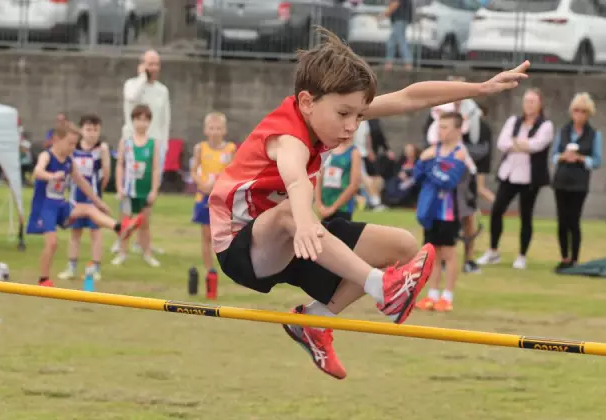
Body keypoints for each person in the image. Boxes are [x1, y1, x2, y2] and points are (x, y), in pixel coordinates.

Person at [208, 27, 530, 380]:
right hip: (243, 245)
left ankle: (316, 322)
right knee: (289, 213)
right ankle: (381, 287)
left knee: (403, 246)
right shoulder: (287, 137)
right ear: (306, 102)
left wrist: (479, 88)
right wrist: (303, 222)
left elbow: (409, 97)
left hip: (295, 237)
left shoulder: (331, 110)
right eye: (345, 115)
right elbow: (297, 181)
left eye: (359, 116)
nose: (351, 127)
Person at [27, 126, 142, 287]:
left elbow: (83, 183)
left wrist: (99, 202)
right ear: (56, 140)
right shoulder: (46, 156)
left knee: (89, 209)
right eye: (70, 144)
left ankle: (119, 228)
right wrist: (52, 176)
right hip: (45, 207)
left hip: (60, 205)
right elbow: (37, 172)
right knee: (52, 243)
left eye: (75, 144)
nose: (73, 148)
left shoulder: (69, 161)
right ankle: (43, 279)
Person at [476, 88, 554, 270]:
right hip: (509, 174)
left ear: (540, 104)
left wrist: (517, 143)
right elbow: (502, 143)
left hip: (529, 178)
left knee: (526, 216)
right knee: (497, 210)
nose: (528, 105)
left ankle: (521, 255)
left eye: (532, 101)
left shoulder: (546, 125)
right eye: (526, 101)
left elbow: (537, 145)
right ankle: (493, 250)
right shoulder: (514, 121)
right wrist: (521, 145)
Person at [414, 111, 470, 312]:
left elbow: (448, 181)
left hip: (448, 212)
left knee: (449, 253)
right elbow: (417, 176)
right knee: (433, 254)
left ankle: (448, 296)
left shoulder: (459, 153)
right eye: (440, 127)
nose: (441, 131)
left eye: (446, 127)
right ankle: (432, 295)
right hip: (431, 211)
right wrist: (422, 161)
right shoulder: (432, 150)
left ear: (457, 130)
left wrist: (429, 165)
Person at [550, 92, 603, 271]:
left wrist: (581, 159)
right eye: (576, 110)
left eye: (583, 111)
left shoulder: (594, 135)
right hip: (561, 180)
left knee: (574, 220)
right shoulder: (563, 131)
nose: (579, 114)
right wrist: (563, 157)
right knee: (562, 221)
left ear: (588, 114)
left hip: (579, 183)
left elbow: (597, 160)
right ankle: (564, 257)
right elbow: (554, 156)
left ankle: (574, 259)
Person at [59, 115, 111, 281]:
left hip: (93, 199)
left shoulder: (101, 149)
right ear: (81, 130)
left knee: (95, 233)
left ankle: (95, 268)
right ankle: (71, 267)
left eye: (96, 130)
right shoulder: (74, 149)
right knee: (75, 233)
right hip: (75, 199)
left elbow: (107, 172)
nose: (92, 133)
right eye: (88, 129)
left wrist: (97, 195)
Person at [190, 112, 236, 298]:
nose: (215, 131)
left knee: (227, 234)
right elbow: (193, 171)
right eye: (211, 128)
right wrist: (201, 184)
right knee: (206, 235)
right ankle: (210, 270)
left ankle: (230, 268)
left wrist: (220, 186)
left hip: (222, 198)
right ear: (205, 129)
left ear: (224, 130)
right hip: (204, 197)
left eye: (218, 128)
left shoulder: (231, 149)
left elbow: (234, 172)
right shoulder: (200, 148)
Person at [113, 105, 162, 267]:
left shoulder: (153, 144)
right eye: (138, 119)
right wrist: (119, 187)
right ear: (133, 121)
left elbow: (155, 168)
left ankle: (147, 253)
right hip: (129, 190)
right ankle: (122, 253)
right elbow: (120, 165)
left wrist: (154, 190)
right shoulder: (125, 142)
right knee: (125, 223)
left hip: (145, 190)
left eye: (145, 120)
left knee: (144, 224)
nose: (142, 123)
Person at [316, 136, 362, 223]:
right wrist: (319, 205)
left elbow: (354, 185)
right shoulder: (328, 149)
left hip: (343, 208)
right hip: (324, 206)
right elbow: (318, 178)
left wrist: (333, 208)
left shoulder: (354, 153)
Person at [383, 0, 413, 71]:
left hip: (399, 20)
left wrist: (383, 15)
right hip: (402, 20)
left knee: (400, 42)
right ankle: (389, 63)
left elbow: (394, 4)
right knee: (392, 42)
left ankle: (407, 62)